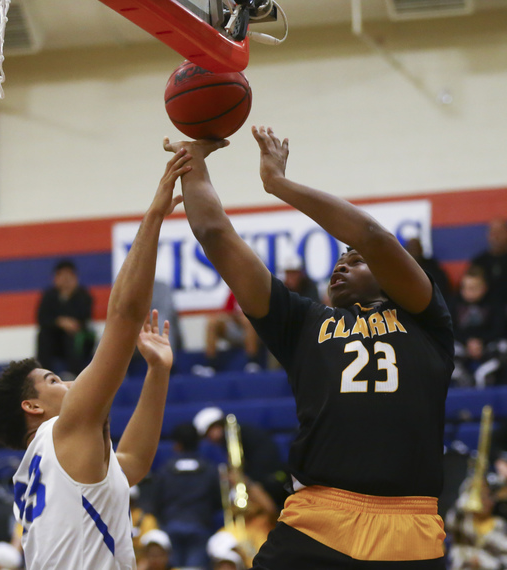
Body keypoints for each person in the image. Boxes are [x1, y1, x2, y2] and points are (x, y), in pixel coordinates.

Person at [165, 126, 454, 568]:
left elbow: (374, 236)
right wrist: (194, 163)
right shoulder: (303, 322)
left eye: (356, 260)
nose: (343, 261)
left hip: (409, 526)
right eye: (341, 257)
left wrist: (279, 184)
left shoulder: (425, 317)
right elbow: (214, 234)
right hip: (318, 517)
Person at [0, 148, 191, 570]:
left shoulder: (47, 464)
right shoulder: (63, 429)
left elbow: (131, 464)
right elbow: (125, 315)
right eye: (54, 381)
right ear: (33, 406)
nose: (71, 382)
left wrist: (157, 372)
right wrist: (153, 217)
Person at [151, 422, 221, 569]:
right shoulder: (210, 470)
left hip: (171, 527)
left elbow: (156, 502)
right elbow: (218, 502)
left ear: (177, 444)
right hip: (200, 527)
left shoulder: (165, 471)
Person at [36, 259, 96, 377]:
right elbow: (42, 318)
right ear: (55, 278)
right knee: (43, 335)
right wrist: (60, 322)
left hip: (78, 340)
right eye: (62, 275)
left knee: (72, 335)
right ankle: (43, 374)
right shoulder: (49, 296)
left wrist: (70, 324)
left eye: (69, 275)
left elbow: (85, 319)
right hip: (56, 341)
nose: (65, 280)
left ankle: (74, 374)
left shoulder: (84, 295)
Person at [450, 265, 506, 387]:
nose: (468, 292)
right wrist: (468, 342)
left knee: (503, 347)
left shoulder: (494, 303)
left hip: (489, 345)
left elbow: (499, 329)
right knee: (445, 348)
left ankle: (485, 374)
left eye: (474, 288)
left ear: (484, 288)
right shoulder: (454, 303)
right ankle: (463, 379)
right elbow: (450, 329)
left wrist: (481, 342)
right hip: (462, 346)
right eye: (465, 288)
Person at [192, 290, 262, 377]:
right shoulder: (235, 291)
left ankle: (253, 362)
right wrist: (234, 317)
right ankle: (211, 364)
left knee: (247, 320)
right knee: (212, 321)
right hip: (237, 328)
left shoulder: (259, 290)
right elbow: (227, 312)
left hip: (256, 329)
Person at [472, 219, 507, 311]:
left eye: (500, 232)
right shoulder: (479, 262)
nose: (496, 236)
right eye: (493, 233)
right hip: (485, 311)